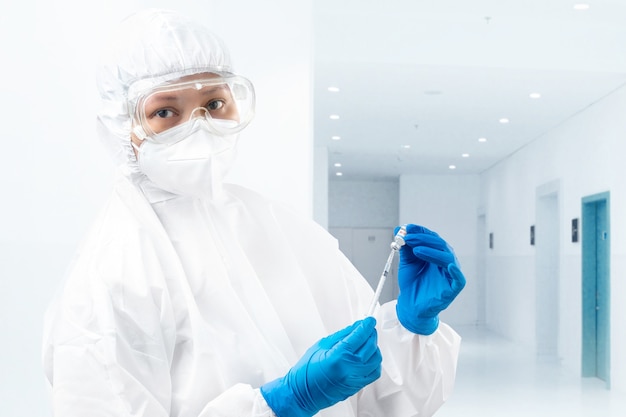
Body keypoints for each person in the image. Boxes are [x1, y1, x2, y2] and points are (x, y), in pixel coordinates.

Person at [42, 8, 466, 417]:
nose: (200, 126)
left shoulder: (277, 225)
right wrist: (282, 404)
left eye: (213, 104)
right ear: (121, 127)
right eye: (165, 112)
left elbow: (376, 392)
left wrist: (411, 328)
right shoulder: (113, 272)